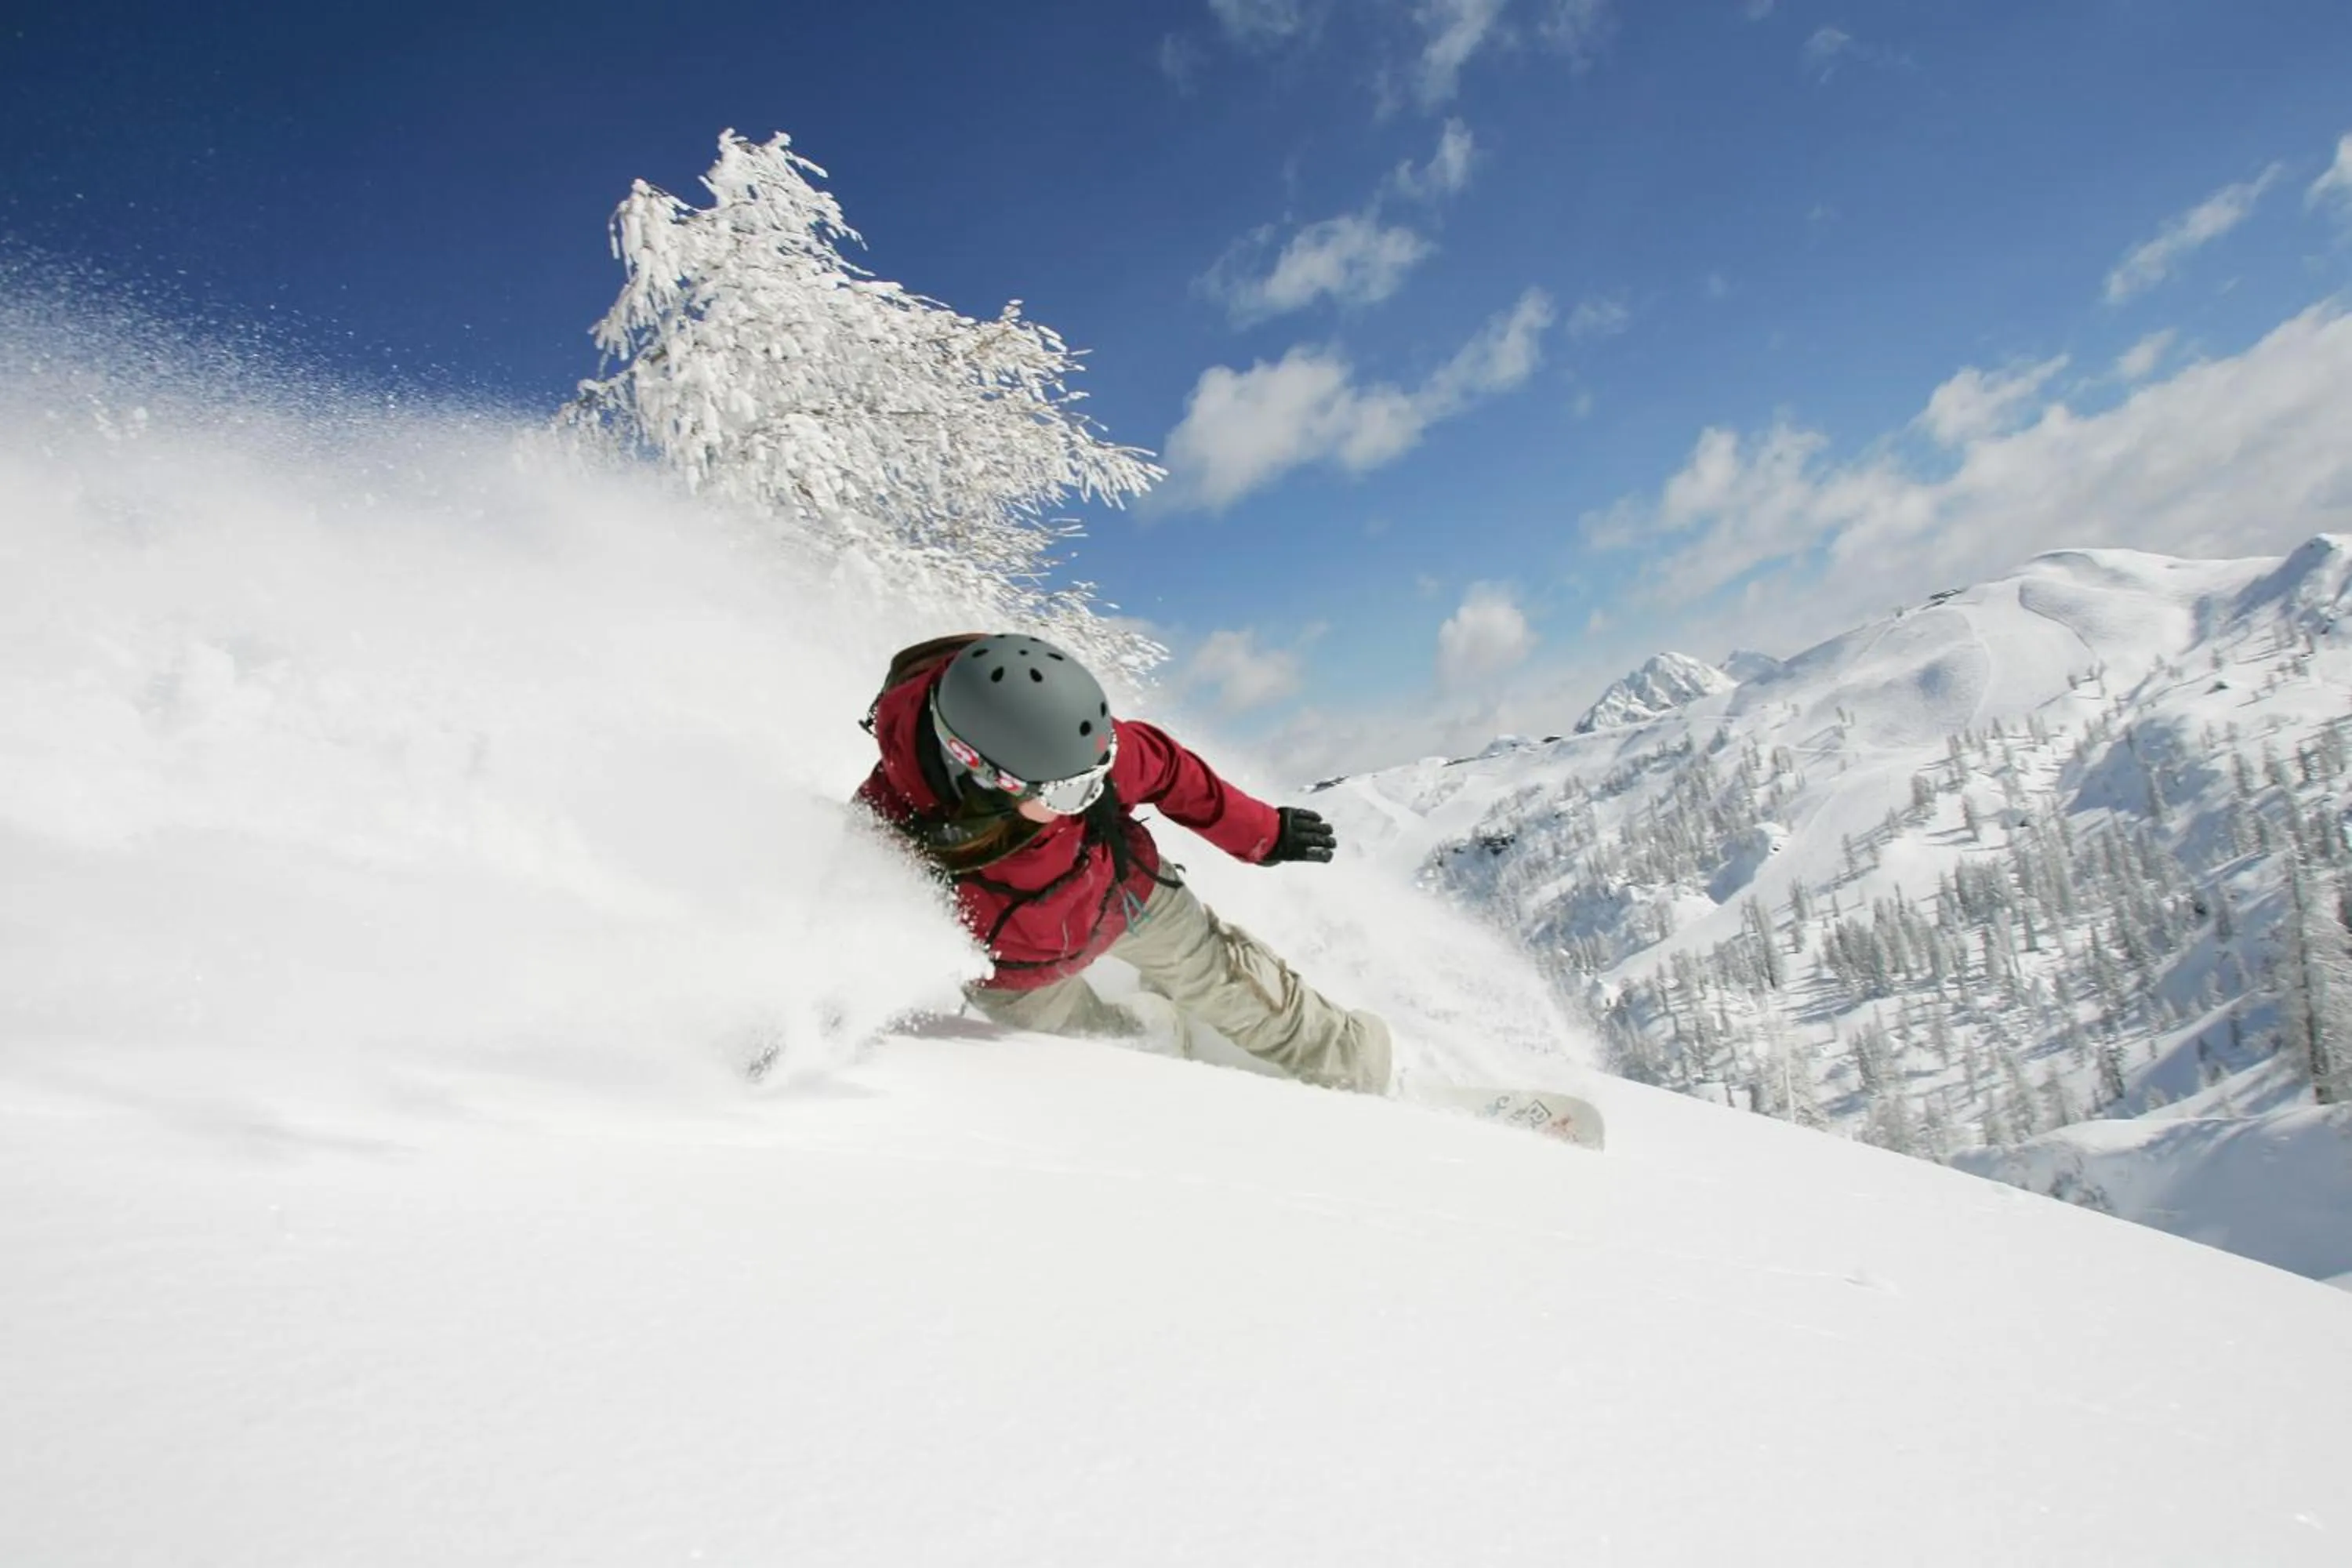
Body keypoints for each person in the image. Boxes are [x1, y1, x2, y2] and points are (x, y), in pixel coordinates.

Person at [854, 632, 1392, 1095]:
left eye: (1098, 774)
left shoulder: (1080, 749)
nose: (1091, 794)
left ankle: (1360, 1068)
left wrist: (1265, 834)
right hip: (1019, 980)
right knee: (1108, 1053)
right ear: (984, 776)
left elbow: (1171, 771)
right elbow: (839, 924)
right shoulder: (888, 826)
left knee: (1235, 983)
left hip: (1129, 897)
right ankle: (1159, 1030)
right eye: (1069, 792)